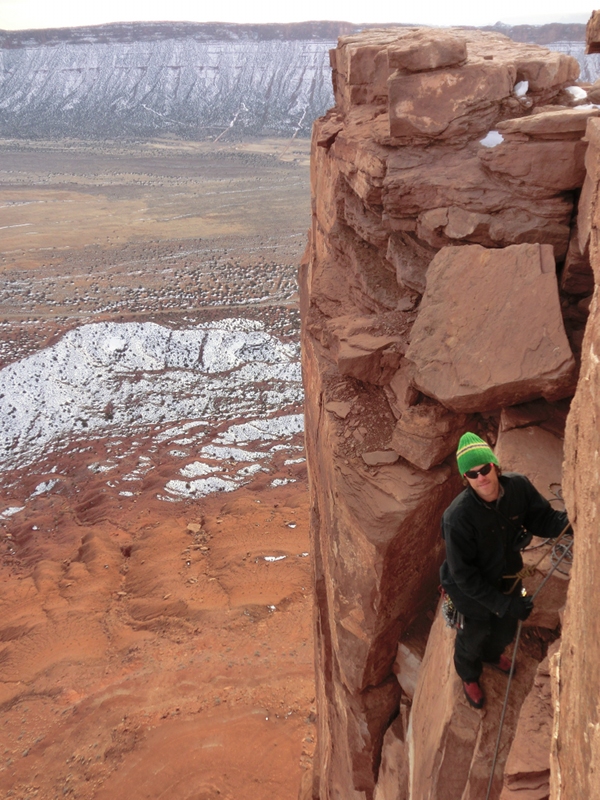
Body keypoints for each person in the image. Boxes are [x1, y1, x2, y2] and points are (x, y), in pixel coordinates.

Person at [440, 432, 569, 709]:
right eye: (472, 474)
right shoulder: (457, 519)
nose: (481, 478)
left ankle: (492, 653)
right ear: (466, 479)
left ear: (495, 466)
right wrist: (503, 604)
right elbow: (464, 575)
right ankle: (469, 674)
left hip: (509, 577)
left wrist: (569, 521)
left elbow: (542, 520)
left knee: (505, 630)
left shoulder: (518, 488)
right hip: (468, 593)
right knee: (472, 636)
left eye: (485, 468)